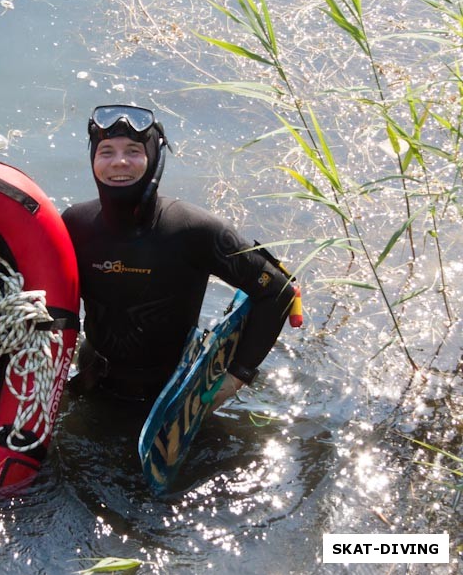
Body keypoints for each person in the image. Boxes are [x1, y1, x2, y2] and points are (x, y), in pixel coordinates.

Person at [61, 104, 295, 414]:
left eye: (133, 151)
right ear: (93, 159)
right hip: (91, 380)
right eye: (106, 152)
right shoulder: (75, 223)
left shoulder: (192, 229)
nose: (119, 162)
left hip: (173, 394)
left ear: (155, 159)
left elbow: (278, 291)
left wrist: (235, 378)